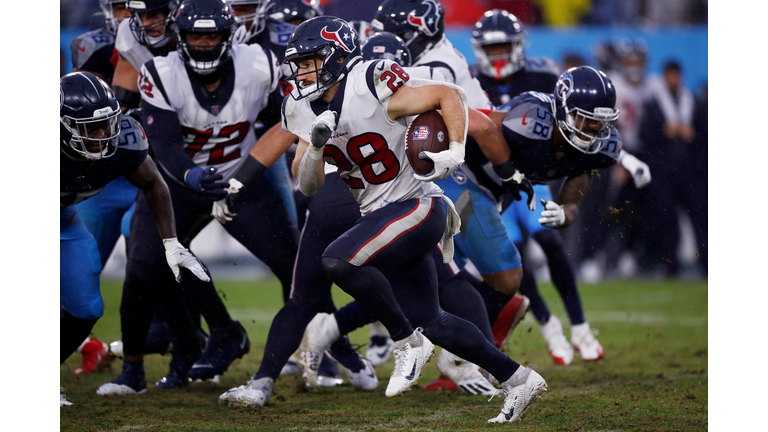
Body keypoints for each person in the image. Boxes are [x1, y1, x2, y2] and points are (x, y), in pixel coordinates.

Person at [220, 17, 547, 423]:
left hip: (418, 205)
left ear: (337, 57)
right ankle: (519, 379)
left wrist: (455, 151)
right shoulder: (301, 107)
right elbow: (308, 185)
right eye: (298, 64)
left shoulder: (369, 81)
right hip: (381, 216)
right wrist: (316, 148)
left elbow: (448, 95)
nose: (301, 72)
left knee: (337, 259)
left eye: (308, 62)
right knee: (434, 320)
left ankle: (406, 341)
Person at [96, 0, 299, 395]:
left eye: (212, 36)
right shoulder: (160, 72)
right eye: (195, 36)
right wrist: (192, 175)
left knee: (293, 264)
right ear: (181, 36)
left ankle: (330, 347)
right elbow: (166, 145)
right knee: (144, 264)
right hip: (177, 182)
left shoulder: (258, 64)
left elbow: (284, 121)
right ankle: (134, 371)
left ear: (229, 36)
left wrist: (242, 178)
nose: (204, 44)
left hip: (240, 179)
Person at [371, 0, 532, 388]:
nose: (389, 42)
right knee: (430, 274)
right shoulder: (431, 56)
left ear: (421, 32)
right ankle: (461, 353)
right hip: (447, 171)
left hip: (457, 173)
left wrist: (508, 174)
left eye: (396, 34)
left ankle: (467, 355)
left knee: (475, 277)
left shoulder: (434, 67)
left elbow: (479, 126)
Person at [470, 9, 611, 365]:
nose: (498, 55)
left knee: (549, 240)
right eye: (492, 48)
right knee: (512, 255)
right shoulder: (467, 77)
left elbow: (581, 125)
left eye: (504, 47)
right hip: (494, 177)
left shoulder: (546, 75)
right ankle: (548, 325)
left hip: (533, 174)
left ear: (519, 45)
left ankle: (580, 326)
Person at [60, 72, 209, 404]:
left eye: (106, 124)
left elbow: (153, 183)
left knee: (86, 308)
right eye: (90, 128)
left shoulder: (124, 140)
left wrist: (171, 242)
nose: (103, 135)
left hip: (64, 220)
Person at [639, 60, 706, 276]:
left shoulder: (692, 101)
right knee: (667, 221)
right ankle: (670, 265)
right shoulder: (655, 104)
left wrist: (693, 135)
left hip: (691, 172)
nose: (673, 80)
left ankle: (707, 263)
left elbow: (705, 134)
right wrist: (663, 131)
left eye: (676, 76)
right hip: (665, 173)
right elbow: (644, 136)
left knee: (700, 218)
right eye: (670, 76)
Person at [112, 0, 179, 111]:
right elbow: (122, 107)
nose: (145, 24)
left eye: (154, 15)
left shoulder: (202, 35)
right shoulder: (129, 36)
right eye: (141, 15)